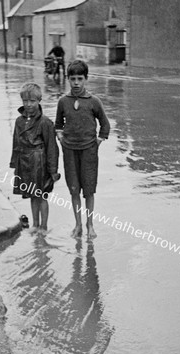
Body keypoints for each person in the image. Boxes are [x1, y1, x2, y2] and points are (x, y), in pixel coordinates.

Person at [55, 60, 110, 239]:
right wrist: (61, 138)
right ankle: (78, 225)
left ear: (86, 79)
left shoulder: (94, 101)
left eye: (80, 78)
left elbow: (105, 124)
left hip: (89, 151)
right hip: (69, 151)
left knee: (89, 189)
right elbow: (58, 125)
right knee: (74, 189)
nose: (76, 83)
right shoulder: (63, 101)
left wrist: (98, 141)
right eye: (73, 79)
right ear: (68, 79)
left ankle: (90, 225)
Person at [10, 82, 60, 233]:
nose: (28, 104)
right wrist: (15, 164)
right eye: (25, 101)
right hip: (25, 163)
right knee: (32, 195)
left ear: (39, 101)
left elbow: (52, 147)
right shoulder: (19, 121)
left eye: (32, 101)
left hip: (40, 163)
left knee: (42, 195)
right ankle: (35, 224)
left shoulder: (45, 122)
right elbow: (16, 142)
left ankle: (44, 226)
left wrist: (53, 170)